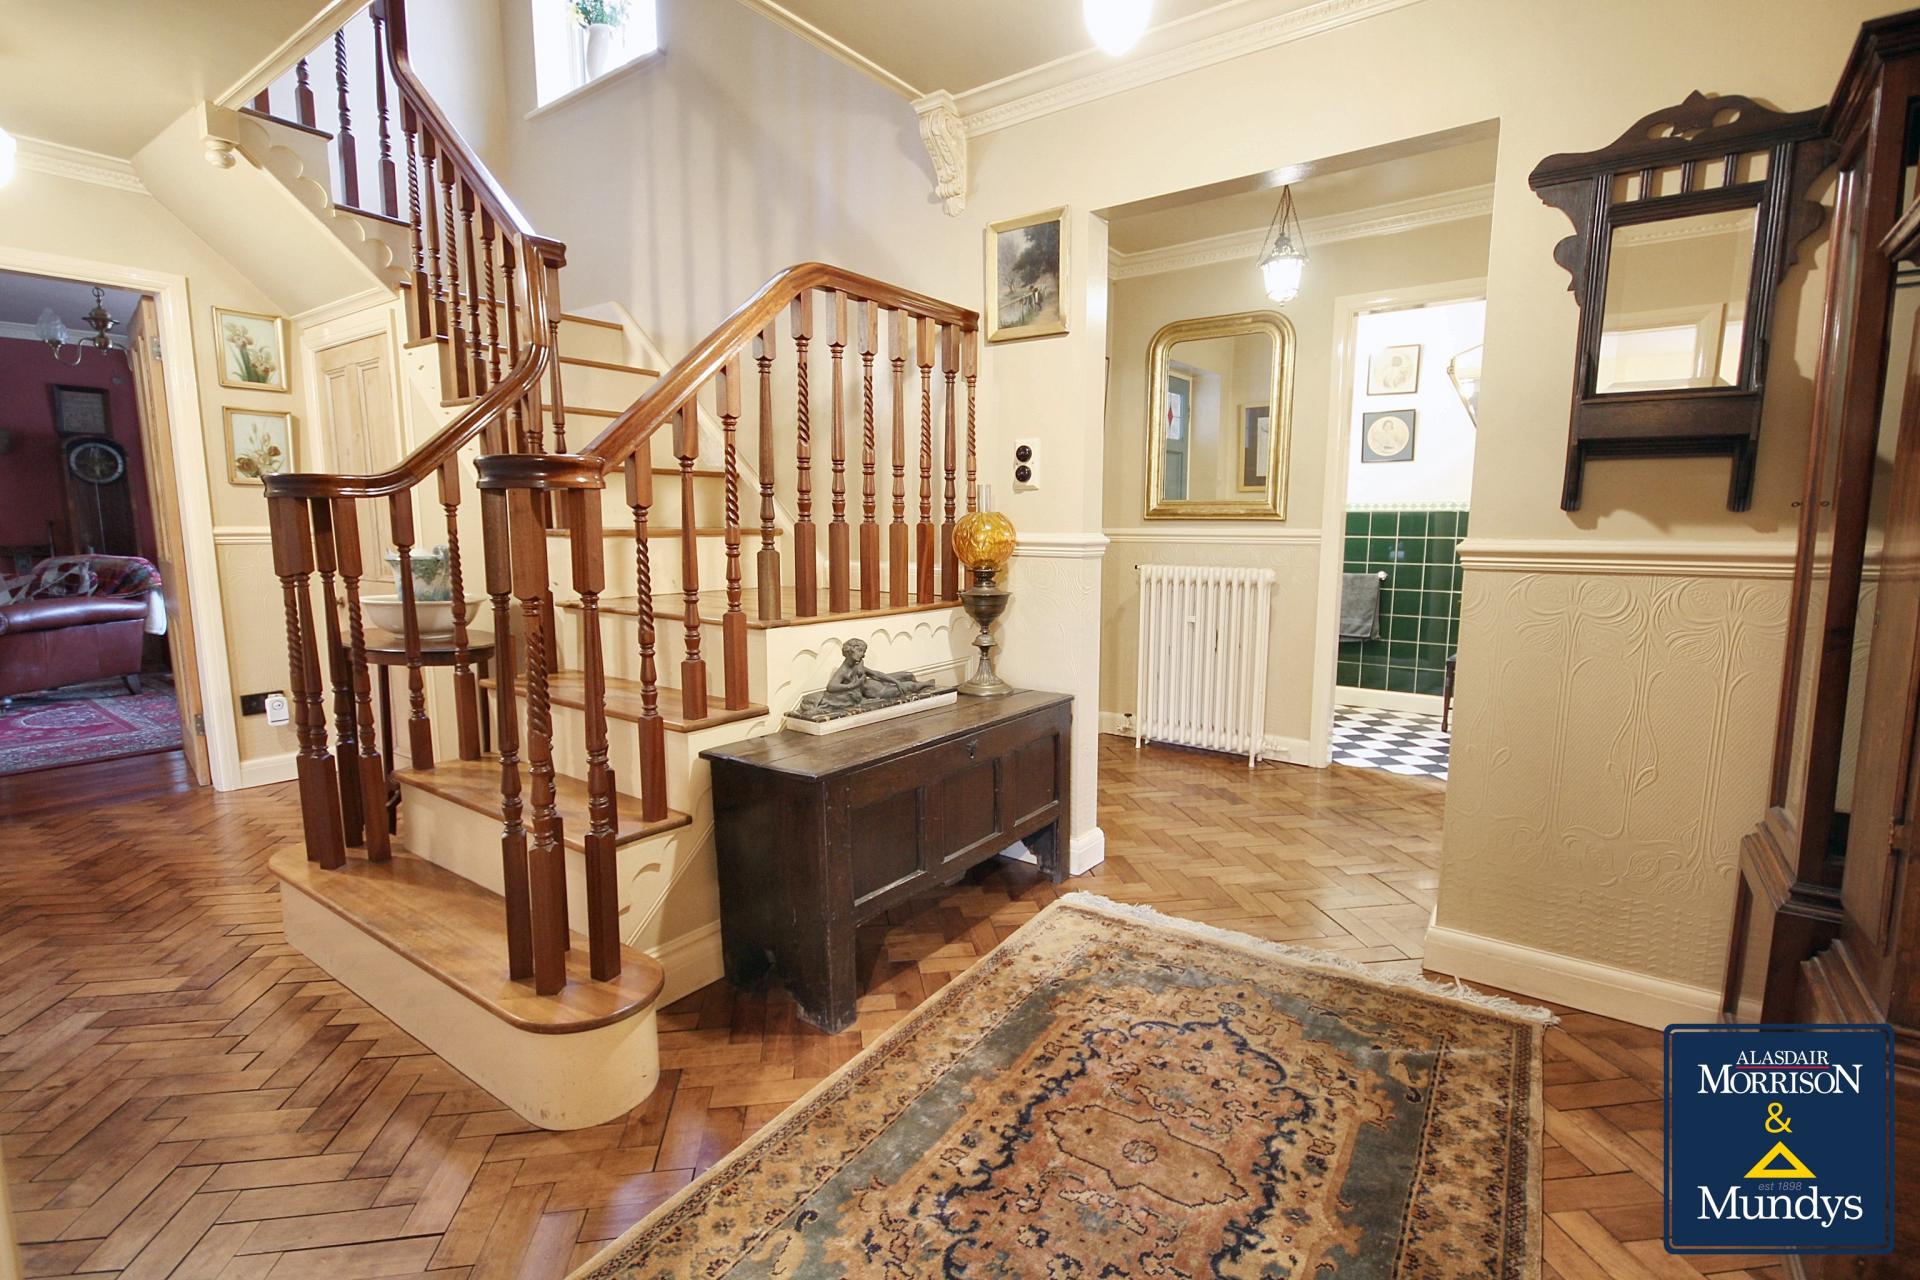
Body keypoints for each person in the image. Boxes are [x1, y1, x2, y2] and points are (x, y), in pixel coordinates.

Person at [797, 639, 933, 715]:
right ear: (850, 651)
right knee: (908, 686)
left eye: (863, 651)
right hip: (878, 691)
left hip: (874, 682)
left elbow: (876, 674)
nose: (863, 654)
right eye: (860, 651)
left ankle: (915, 683)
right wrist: (854, 685)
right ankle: (926, 685)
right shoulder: (844, 670)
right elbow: (831, 687)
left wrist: (895, 681)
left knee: (907, 675)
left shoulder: (859, 664)